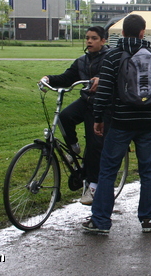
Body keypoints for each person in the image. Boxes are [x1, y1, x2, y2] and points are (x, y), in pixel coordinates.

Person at [82, 14, 151, 234]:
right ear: (143, 32)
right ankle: (148, 218)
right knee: (148, 171)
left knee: (108, 170)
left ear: (122, 33)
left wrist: (98, 118)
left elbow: (104, 92)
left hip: (121, 122)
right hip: (148, 122)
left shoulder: (112, 57)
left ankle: (101, 220)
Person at [40, 26, 110, 205]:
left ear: (103, 40)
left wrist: (102, 79)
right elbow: (67, 77)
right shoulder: (81, 61)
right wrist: (48, 79)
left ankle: (93, 186)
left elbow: (117, 76)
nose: (89, 41)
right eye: (87, 38)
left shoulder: (110, 59)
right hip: (86, 101)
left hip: (102, 105)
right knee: (64, 117)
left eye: (94, 38)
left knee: (95, 145)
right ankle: (74, 146)